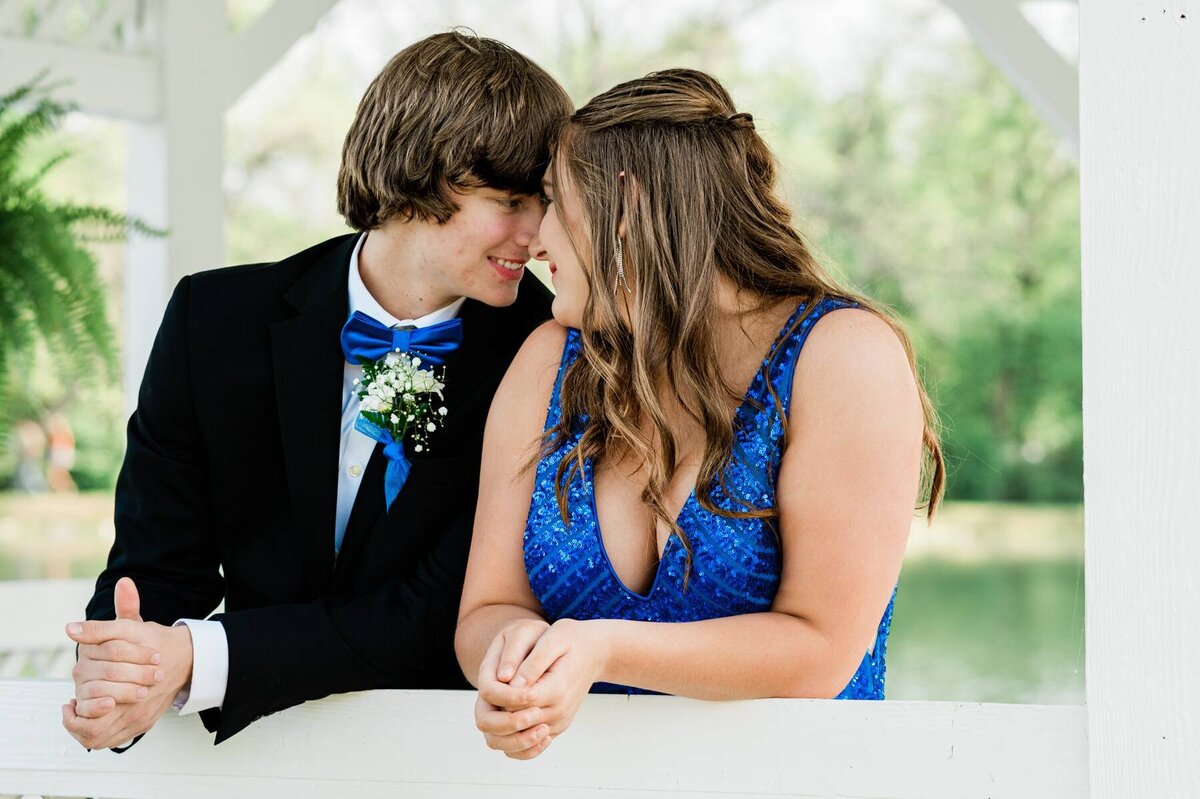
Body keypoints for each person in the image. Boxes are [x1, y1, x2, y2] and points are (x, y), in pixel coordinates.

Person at [61, 31, 572, 749]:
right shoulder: (213, 322)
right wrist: (119, 672)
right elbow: (154, 567)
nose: (538, 233)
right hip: (248, 761)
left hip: (453, 755)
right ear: (419, 174)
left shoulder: (551, 352)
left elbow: (433, 611)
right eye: (512, 200)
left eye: (544, 202)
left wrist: (202, 659)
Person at [455, 68, 946, 759]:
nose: (535, 240)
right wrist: (511, 655)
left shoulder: (841, 357)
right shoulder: (549, 361)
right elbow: (486, 607)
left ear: (624, 213)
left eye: (554, 203)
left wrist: (602, 648)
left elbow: (820, 648)